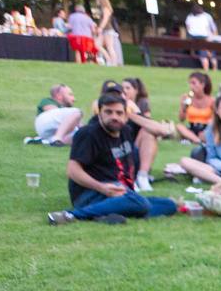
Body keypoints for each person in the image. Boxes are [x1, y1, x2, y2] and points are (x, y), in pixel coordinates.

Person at [47, 91, 177, 225]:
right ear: (99, 113)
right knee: (140, 203)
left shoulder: (126, 131)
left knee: (170, 205)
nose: (114, 117)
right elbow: (72, 171)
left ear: (126, 115)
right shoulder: (88, 134)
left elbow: (160, 131)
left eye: (119, 113)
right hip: (90, 194)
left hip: (120, 192)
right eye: (108, 112)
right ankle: (72, 215)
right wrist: (102, 188)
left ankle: (106, 214)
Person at [168, 95, 221, 185]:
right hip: (219, 168)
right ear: (217, 111)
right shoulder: (211, 130)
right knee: (184, 161)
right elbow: (211, 157)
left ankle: (208, 178)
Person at [175, 72, 215, 159]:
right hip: (192, 127)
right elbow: (181, 119)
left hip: (205, 128)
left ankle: (196, 139)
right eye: (190, 83)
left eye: (194, 83)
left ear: (202, 85)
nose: (191, 86)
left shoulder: (211, 100)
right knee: (179, 126)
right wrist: (184, 107)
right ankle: (197, 140)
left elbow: (215, 119)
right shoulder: (187, 98)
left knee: (206, 134)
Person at [184, 4, 219, 70]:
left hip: (196, 38)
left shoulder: (190, 16)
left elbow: (188, 28)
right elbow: (213, 28)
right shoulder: (207, 16)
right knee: (209, 53)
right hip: (206, 37)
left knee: (203, 54)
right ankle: (214, 68)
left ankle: (206, 68)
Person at [94, 0, 122, 67]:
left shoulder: (106, 8)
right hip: (104, 30)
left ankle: (114, 63)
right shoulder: (102, 9)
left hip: (108, 30)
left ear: (101, 0)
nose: (96, 1)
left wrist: (100, 28)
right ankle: (109, 59)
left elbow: (105, 19)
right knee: (97, 45)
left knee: (109, 47)